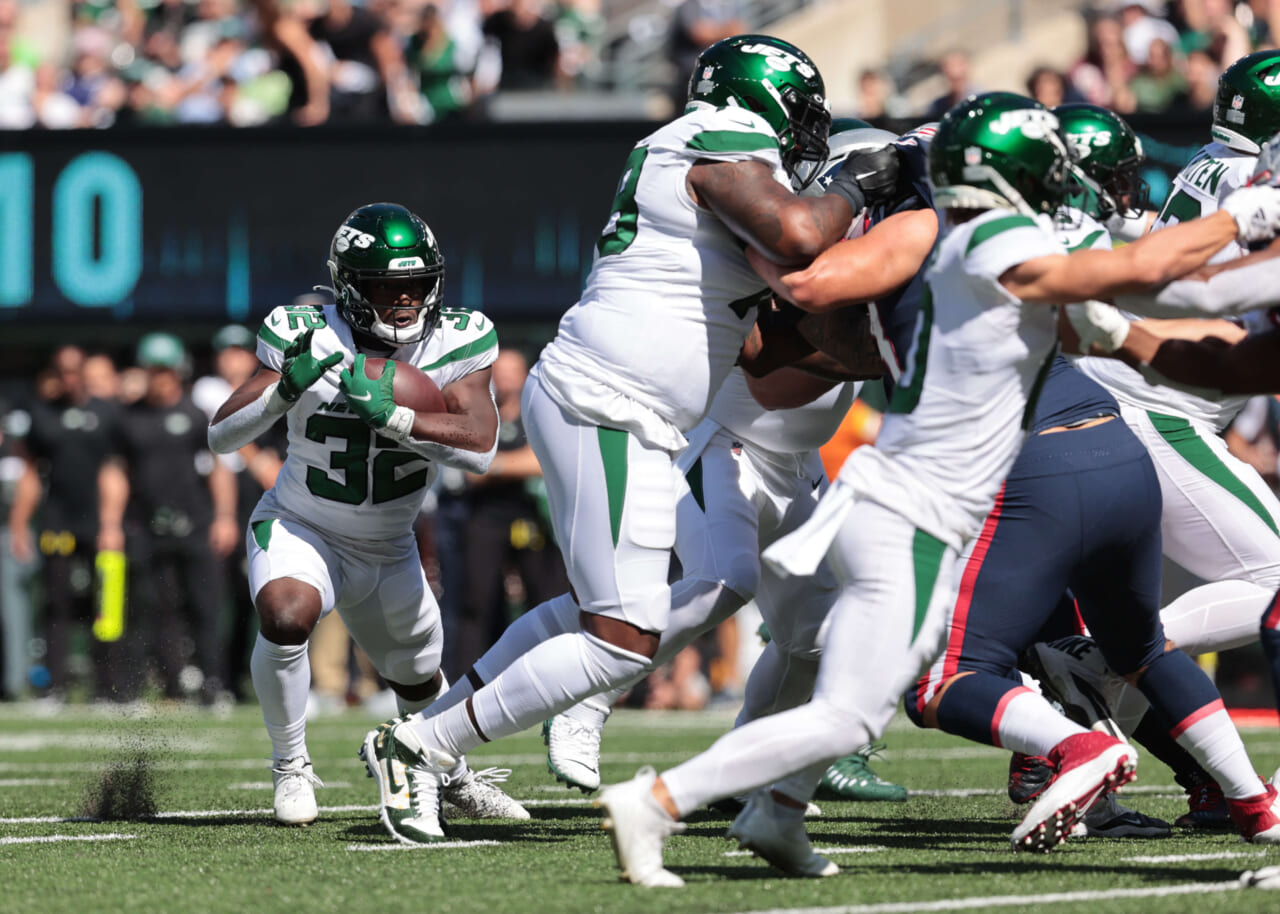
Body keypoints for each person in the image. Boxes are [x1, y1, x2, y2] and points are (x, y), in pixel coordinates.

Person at [593, 92, 1280, 886]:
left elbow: (1161, 293)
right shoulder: (986, 238)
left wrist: (1135, 325)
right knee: (884, 700)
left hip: (915, 501)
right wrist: (1238, 218)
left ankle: (774, 813)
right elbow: (1153, 273)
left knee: (861, 695)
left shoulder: (946, 244)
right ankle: (657, 800)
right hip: (914, 513)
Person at [361, 34, 897, 846]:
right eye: (799, 111)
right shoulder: (717, 135)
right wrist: (857, 186)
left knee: (612, 623)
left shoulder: (716, 161)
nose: (805, 131)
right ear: (761, 97)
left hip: (633, 410)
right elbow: (798, 237)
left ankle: (431, 736)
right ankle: (422, 747)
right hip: (609, 399)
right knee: (621, 640)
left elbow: (788, 314)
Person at [543, 120, 934, 801]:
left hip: (796, 461)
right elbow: (770, 376)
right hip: (722, 440)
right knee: (724, 579)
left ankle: (748, 767)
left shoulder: (868, 250)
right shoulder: (775, 243)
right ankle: (585, 698)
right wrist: (884, 344)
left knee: (816, 637)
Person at [207, 202, 527, 829]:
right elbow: (221, 435)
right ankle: (290, 764)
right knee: (286, 613)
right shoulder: (304, 331)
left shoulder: (461, 337)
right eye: (386, 287)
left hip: (389, 543)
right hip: (304, 522)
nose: (406, 302)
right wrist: (283, 389)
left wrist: (397, 418)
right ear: (351, 287)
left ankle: (450, 774)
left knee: (418, 676)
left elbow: (481, 448)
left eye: (416, 284)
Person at [99, 333, 239, 705]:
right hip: (144, 525)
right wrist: (110, 524)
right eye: (153, 370)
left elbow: (219, 468)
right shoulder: (127, 418)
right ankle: (154, 687)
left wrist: (225, 517)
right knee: (147, 608)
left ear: (178, 372)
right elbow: (116, 473)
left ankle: (213, 687)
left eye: (165, 371)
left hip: (195, 524)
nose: (159, 378)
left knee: (205, 607)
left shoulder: (196, 414)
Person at [9, 347, 123, 703]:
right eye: (63, 371)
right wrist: (18, 525)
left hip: (99, 524)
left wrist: (111, 524)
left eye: (75, 370)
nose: (70, 377)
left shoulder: (106, 413)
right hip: (57, 523)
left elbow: (113, 471)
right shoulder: (41, 413)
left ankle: (105, 689)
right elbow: (30, 473)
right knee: (55, 604)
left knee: (105, 606)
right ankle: (54, 688)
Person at [455, 347, 567, 672]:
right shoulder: (478, 415)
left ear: (524, 376)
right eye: (498, 373)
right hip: (484, 519)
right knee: (477, 602)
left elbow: (540, 463)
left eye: (510, 373)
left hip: (531, 518)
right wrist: (512, 464)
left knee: (544, 598)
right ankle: (467, 680)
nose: (503, 381)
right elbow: (470, 471)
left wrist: (494, 465)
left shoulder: (538, 414)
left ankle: (549, 673)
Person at [193, 324, 286, 701]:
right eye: (225, 351)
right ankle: (212, 678)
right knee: (215, 595)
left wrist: (269, 464)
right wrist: (259, 461)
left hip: (255, 500)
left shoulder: (267, 388)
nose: (232, 359)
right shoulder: (207, 389)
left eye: (239, 351)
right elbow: (225, 430)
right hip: (213, 502)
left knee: (252, 594)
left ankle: (237, 677)